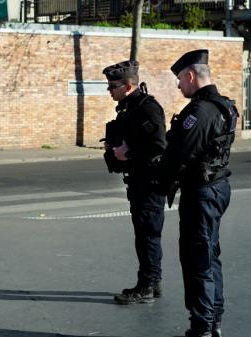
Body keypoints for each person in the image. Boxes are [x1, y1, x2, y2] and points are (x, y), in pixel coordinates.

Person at [161, 49, 238, 337]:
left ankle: (202, 326)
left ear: (191, 75)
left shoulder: (199, 111)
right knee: (209, 254)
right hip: (217, 187)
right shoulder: (226, 106)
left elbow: (180, 154)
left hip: (201, 192)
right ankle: (213, 318)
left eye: (180, 78)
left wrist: (158, 180)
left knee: (197, 259)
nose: (179, 85)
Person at [101, 60, 167, 304]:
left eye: (113, 86)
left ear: (128, 86)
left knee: (148, 234)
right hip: (139, 181)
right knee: (144, 234)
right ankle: (152, 281)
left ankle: (147, 286)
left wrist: (127, 153)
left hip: (150, 182)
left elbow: (159, 147)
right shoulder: (128, 107)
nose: (110, 90)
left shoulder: (147, 108)